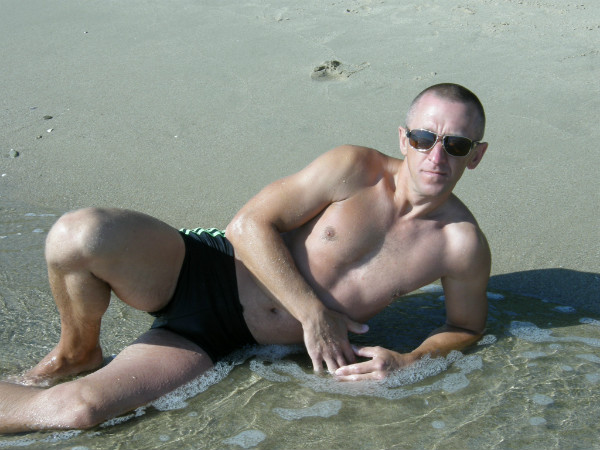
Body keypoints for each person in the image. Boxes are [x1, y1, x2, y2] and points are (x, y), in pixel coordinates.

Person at [0, 83, 490, 433]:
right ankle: (77, 350)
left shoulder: (461, 244)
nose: (436, 156)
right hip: (208, 268)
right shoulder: (355, 168)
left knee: (78, 411)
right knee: (77, 235)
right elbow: (247, 225)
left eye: (456, 145)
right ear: (404, 138)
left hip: (212, 340)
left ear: (476, 155)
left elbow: (466, 327)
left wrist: (409, 361)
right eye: (424, 138)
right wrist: (313, 313)